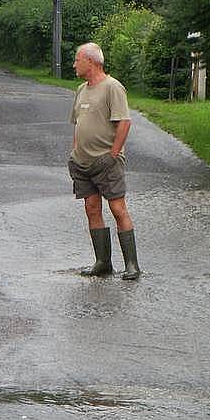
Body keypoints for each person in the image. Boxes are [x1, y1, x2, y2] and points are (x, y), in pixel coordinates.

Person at [68, 42, 140, 280]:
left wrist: (113, 154)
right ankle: (102, 262)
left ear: (91, 62)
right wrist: (74, 151)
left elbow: (124, 122)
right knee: (92, 209)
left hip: (106, 162)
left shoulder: (112, 87)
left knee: (118, 208)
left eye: (78, 60)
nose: (74, 64)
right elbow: (78, 123)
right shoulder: (81, 89)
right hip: (82, 163)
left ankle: (131, 265)